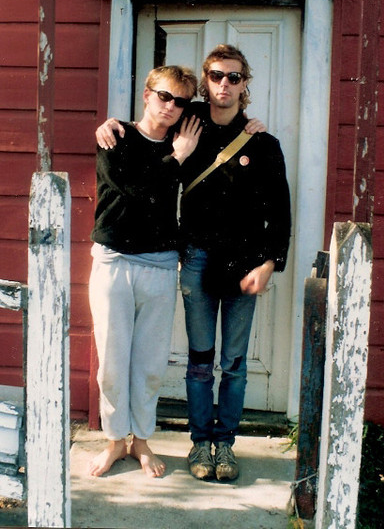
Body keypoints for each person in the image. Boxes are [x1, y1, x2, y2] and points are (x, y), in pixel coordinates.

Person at [96, 44, 291, 483]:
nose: (225, 84)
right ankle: (201, 441)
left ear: (245, 84)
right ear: (206, 82)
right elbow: (144, 145)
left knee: (235, 363)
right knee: (200, 360)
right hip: (197, 257)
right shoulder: (187, 127)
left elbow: (279, 209)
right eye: (217, 76)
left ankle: (226, 444)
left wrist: (271, 262)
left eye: (235, 77)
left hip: (245, 262)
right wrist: (111, 125)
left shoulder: (262, 143)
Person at [89, 64, 201, 478]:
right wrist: (177, 158)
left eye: (181, 101)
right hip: (114, 260)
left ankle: (141, 441)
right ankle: (115, 440)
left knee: (151, 362)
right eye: (164, 96)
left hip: (158, 261)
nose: (171, 106)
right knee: (113, 361)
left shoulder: (186, 137)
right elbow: (135, 189)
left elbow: (228, 121)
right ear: (147, 94)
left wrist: (252, 123)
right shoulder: (115, 136)